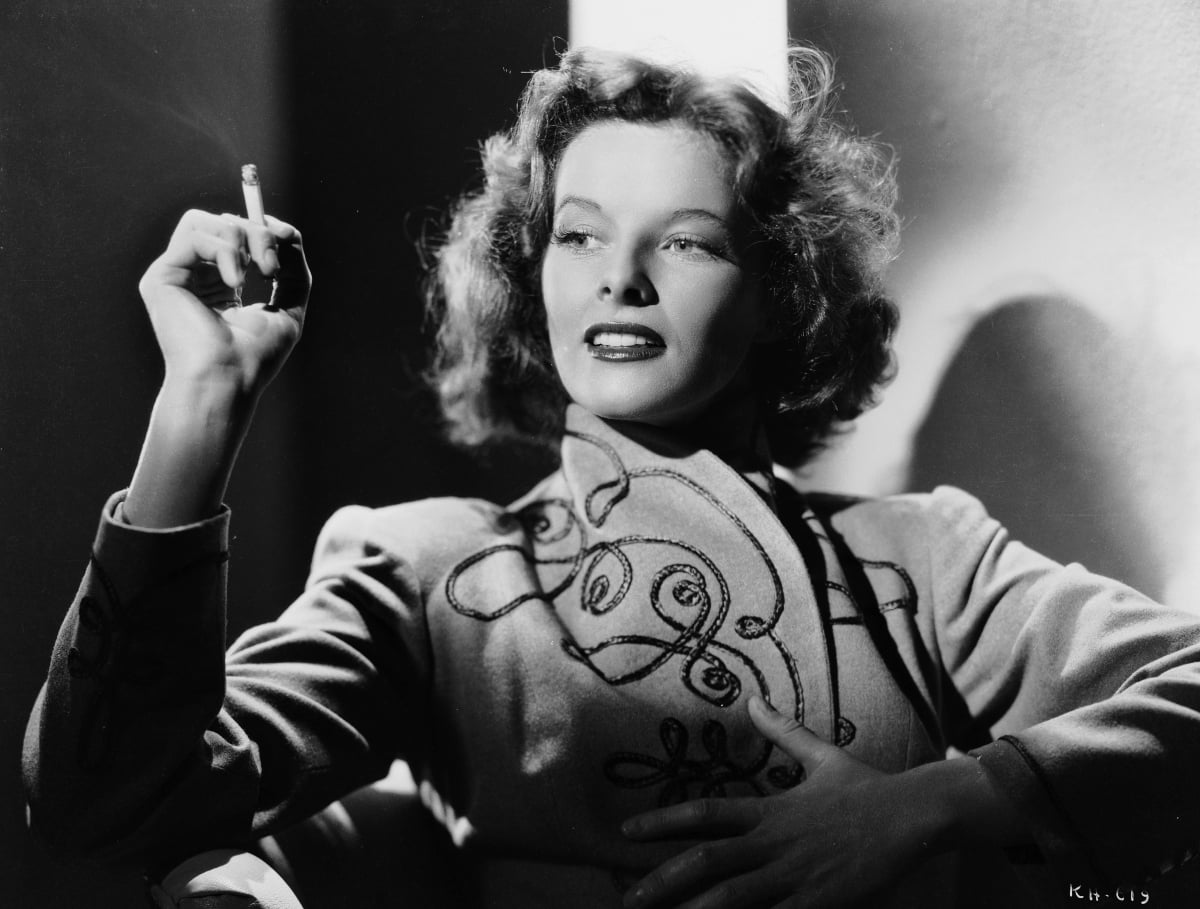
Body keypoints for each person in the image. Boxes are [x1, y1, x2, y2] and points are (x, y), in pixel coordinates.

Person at [22, 45, 1200, 909]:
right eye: (579, 233)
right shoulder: (432, 568)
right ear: (531, 270)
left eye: (686, 240)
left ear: (781, 291)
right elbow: (99, 805)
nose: (619, 279)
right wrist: (203, 402)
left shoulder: (920, 557)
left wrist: (933, 804)